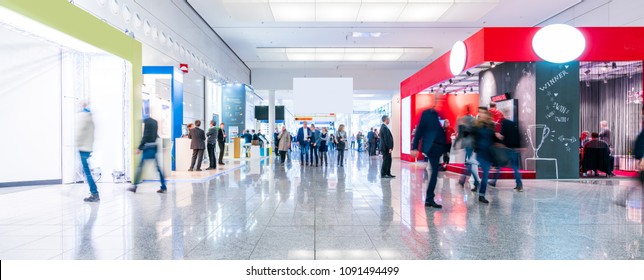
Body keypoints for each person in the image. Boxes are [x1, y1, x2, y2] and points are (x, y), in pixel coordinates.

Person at [411, 108, 445, 209]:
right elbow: (419, 131)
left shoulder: (436, 114)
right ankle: (429, 198)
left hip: (438, 147)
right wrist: (415, 147)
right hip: (432, 147)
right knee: (434, 172)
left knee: (434, 172)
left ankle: (429, 198)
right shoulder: (426, 114)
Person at [128, 117, 167, 193]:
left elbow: (145, 136)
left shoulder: (147, 123)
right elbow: (156, 135)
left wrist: (139, 148)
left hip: (148, 148)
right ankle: (163, 186)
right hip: (154, 148)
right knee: (158, 169)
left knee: (140, 167)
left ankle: (134, 186)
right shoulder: (155, 122)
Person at [488, 110, 523, 191]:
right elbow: (519, 135)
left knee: (499, 165)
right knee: (515, 168)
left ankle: (493, 181)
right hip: (515, 149)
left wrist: (496, 136)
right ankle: (519, 184)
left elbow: (502, 136)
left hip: (506, 148)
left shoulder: (503, 123)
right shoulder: (514, 124)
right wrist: (520, 146)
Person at [471, 108, 497, 204]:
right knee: (485, 174)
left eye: (483, 112)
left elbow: (493, 139)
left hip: (488, 152)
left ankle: (481, 194)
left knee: (485, 175)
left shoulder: (491, 125)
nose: (481, 114)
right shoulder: (476, 125)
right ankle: (481, 194)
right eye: (480, 112)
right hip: (480, 152)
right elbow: (472, 137)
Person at [76, 103, 99, 202]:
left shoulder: (84, 117)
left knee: (87, 172)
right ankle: (94, 192)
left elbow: (80, 132)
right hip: (88, 147)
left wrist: (78, 143)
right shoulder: (91, 119)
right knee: (87, 171)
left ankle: (94, 193)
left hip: (83, 148)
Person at [456, 106, 480, 190]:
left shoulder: (462, 120)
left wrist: (456, 143)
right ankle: (464, 180)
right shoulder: (473, 120)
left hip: (468, 144)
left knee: (469, 162)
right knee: (469, 162)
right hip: (471, 143)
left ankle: (467, 180)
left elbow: (460, 134)